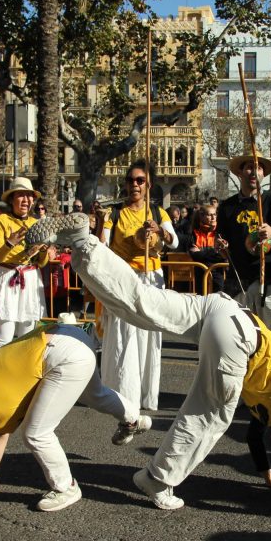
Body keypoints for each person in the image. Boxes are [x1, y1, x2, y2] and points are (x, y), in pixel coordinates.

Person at [25, 213, 271, 521]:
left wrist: (268, 475)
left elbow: (255, 439)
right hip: (238, 335)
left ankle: (83, 242)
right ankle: (157, 479)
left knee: (142, 303)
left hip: (222, 311)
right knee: (210, 414)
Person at [0, 315, 150, 512]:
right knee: (94, 394)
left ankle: (66, 487)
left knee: (36, 433)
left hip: (62, 355)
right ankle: (133, 419)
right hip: (72, 336)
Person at [98, 161, 178, 411]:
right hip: (124, 278)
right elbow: (102, 245)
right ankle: (121, 393)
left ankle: (145, 394)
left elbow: (174, 242)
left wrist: (159, 231)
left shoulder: (158, 213)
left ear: (148, 185)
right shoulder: (115, 213)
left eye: (140, 180)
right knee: (124, 334)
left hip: (151, 277)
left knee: (148, 333)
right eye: (131, 180)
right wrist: (100, 225)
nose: (135, 184)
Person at [216, 154, 271, 340]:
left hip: (269, 281)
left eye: (258, 168)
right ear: (240, 172)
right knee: (239, 338)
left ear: (263, 174)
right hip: (239, 283)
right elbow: (221, 241)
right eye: (250, 167)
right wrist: (221, 247)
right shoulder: (227, 206)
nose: (254, 172)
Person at [0, 177, 49, 350]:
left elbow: (42, 262)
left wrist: (43, 250)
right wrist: (10, 243)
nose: (26, 200)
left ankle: (22, 368)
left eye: (29, 196)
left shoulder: (36, 223)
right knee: (4, 338)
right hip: (8, 277)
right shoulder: (1, 221)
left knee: (27, 338)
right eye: (21, 195)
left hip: (30, 278)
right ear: (11, 199)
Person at [181, 205, 227, 294]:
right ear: (201, 216)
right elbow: (194, 254)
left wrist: (202, 251)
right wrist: (214, 252)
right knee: (201, 296)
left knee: (218, 295)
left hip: (218, 272)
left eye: (215, 214)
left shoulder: (220, 232)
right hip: (200, 271)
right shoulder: (194, 233)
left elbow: (222, 255)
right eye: (210, 215)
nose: (213, 217)